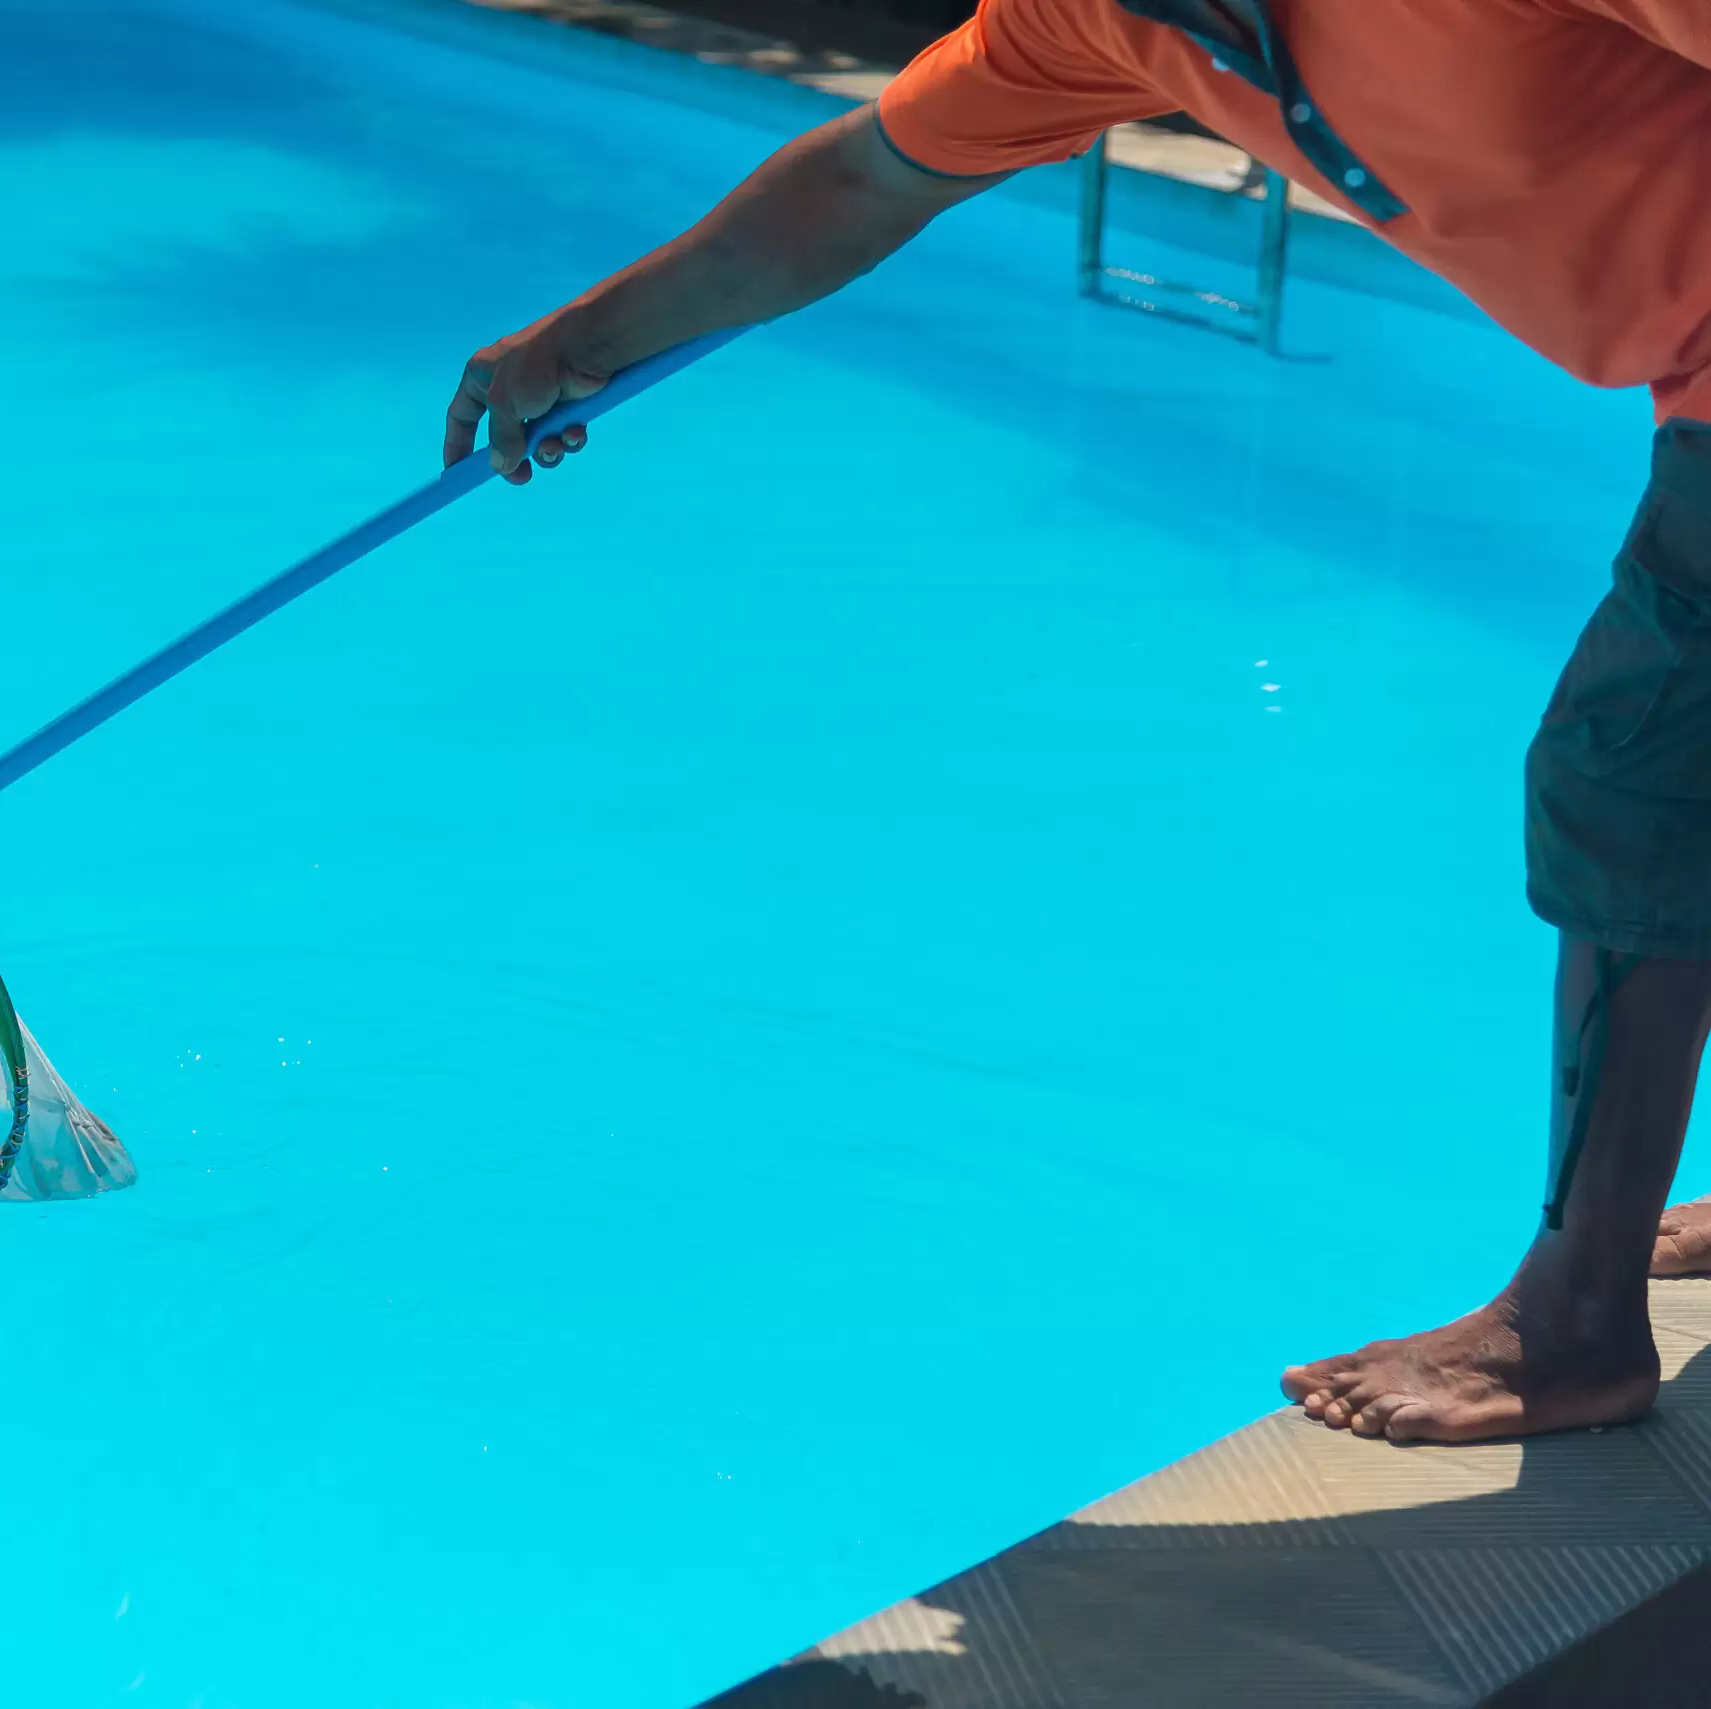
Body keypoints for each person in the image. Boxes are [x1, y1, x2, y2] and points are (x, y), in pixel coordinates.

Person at [447, 0, 1711, 1444]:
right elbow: (861, 179)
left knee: (1633, 774)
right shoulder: (1094, 22)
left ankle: (1578, 1328)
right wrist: (583, 339)